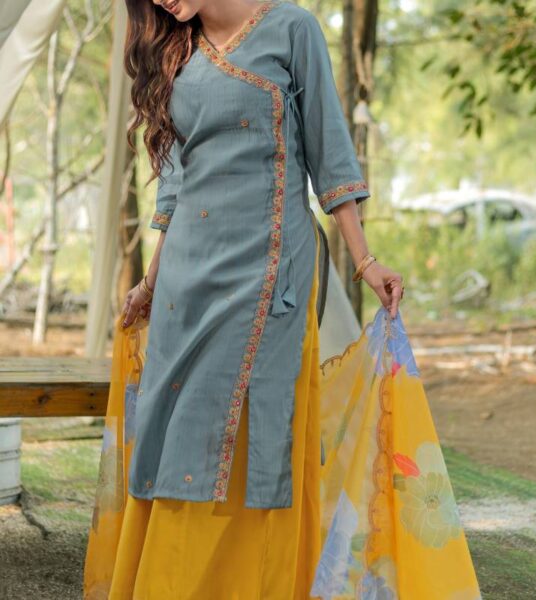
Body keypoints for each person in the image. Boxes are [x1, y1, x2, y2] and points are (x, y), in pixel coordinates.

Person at [85, 1, 407, 598]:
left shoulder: (292, 28)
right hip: (186, 277)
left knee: (261, 430)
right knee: (176, 425)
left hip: (270, 270)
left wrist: (364, 261)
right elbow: (175, 182)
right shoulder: (174, 50)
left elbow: (329, 154)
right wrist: (150, 283)